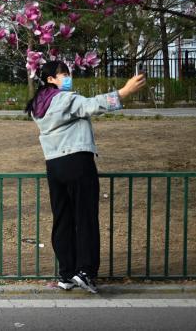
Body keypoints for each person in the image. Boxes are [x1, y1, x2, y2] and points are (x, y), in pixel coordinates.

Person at [25, 60, 145, 294]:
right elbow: (91, 105)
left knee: (63, 219)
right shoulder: (65, 98)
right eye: (63, 74)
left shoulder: (38, 105)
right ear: (51, 79)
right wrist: (124, 92)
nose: (68, 77)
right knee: (86, 217)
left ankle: (67, 273)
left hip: (54, 165)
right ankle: (86, 272)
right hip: (77, 161)